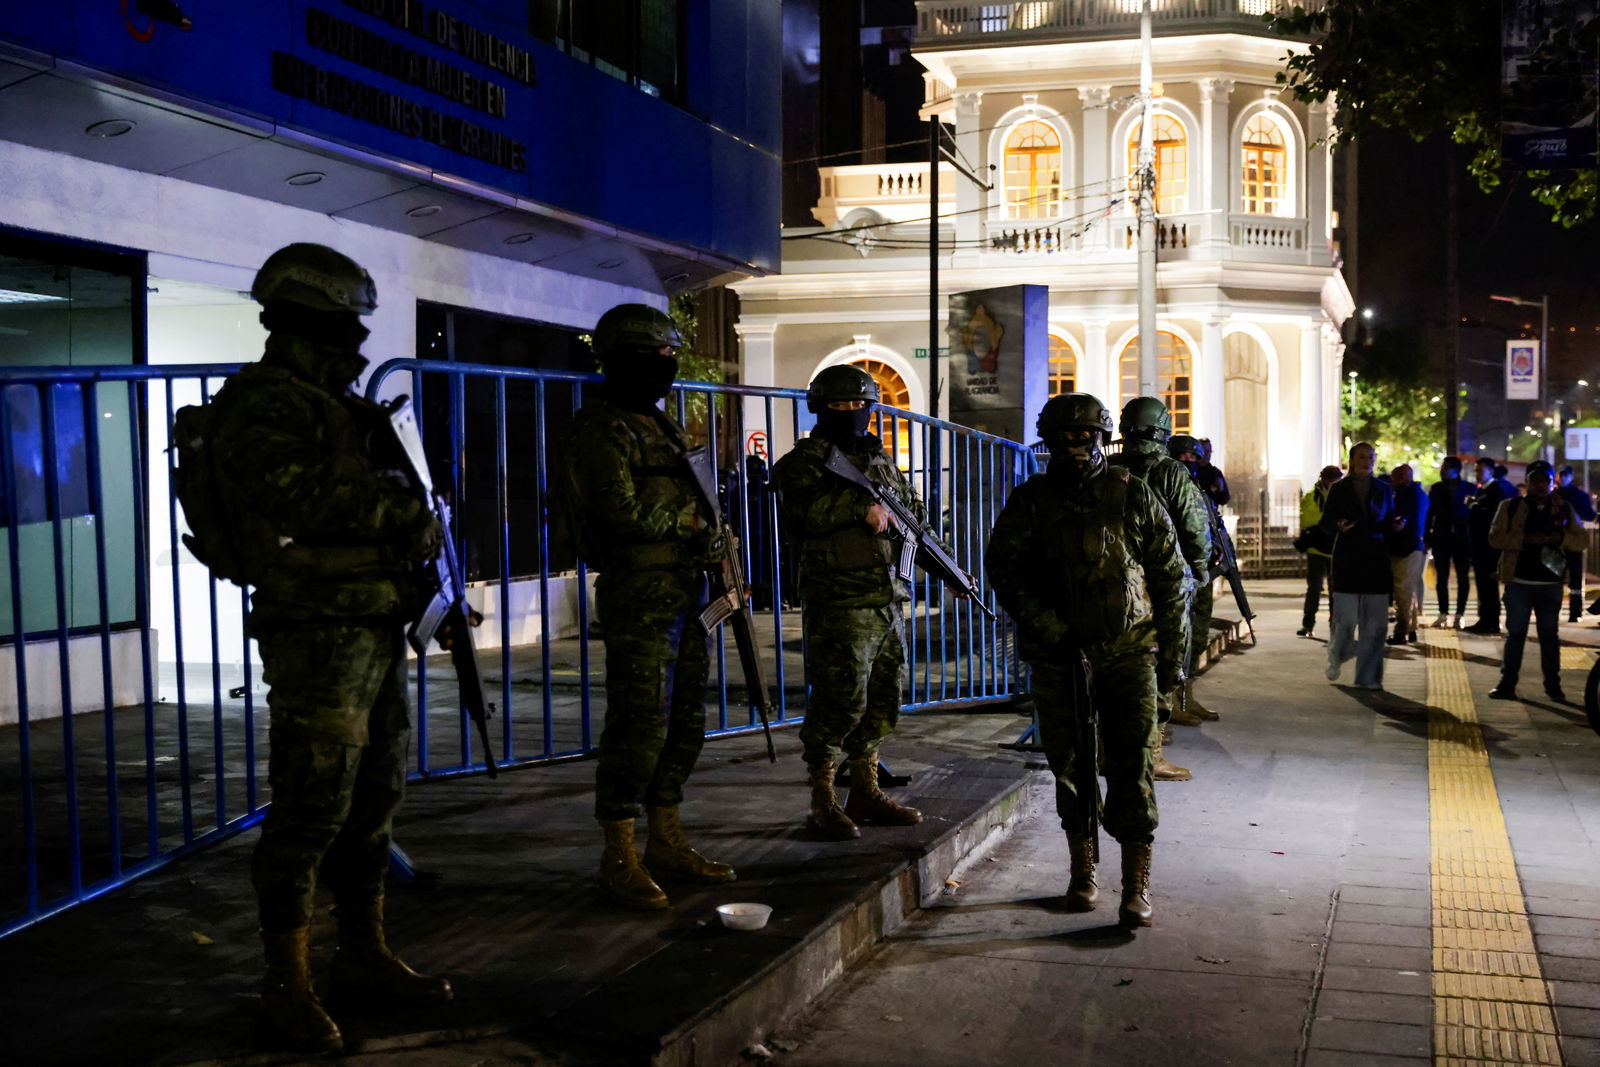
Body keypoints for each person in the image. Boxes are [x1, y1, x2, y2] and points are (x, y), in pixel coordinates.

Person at [206, 244, 452, 1052]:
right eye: (341, 320)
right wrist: (399, 506)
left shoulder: (342, 406)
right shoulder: (262, 401)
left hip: (374, 619)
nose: (353, 338)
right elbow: (300, 495)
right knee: (312, 806)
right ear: (297, 316)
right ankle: (288, 978)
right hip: (315, 631)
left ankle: (363, 952)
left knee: (375, 797)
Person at [986, 393, 1188, 927]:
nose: (1077, 446)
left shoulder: (1134, 495)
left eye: (1086, 436)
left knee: (1133, 766)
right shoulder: (1031, 502)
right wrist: (1052, 629)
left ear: (1103, 438)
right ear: (1049, 442)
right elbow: (1005, 571)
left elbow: (1170, 578)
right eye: (1065, 438)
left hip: (1129, 655)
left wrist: (1173, 661)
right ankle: (1083, 869)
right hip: (1061, 658)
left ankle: (1136, 883)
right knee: (1071, 766)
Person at [564, 303, 735, 911]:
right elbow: (618, 511)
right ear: (623, 362)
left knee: (684, 722)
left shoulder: (659, 426)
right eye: (658, 359)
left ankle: (666, 839)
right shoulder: (600, 429)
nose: (667, 369)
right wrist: (691, 520)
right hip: (639, 598)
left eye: (670, 358)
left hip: (686, 594)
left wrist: (715, 534)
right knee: (639, 725)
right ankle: (620, 853)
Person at [769, 364, 934, 840]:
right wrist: (859, 509)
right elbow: (801, 512)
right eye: (840, 406)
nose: (851, 413)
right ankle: (823, 798)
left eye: (859, 405)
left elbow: (912, 512)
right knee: (841, 702)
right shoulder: (804, 462)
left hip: (887, 599)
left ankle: (865, 788)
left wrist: (934, 553)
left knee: (885, 700)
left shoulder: (880, 460)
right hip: (840, 600)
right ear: (820, 409)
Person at [1108, 397, 1212, 777]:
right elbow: (1193, 528)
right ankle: (1151, 753)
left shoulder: (1110, 468)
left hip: (1115, 584)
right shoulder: (1171, 472)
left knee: (1116, 669)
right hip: (1162, 585)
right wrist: (1199, 568)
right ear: (1162, 431)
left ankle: (1109, 749)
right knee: (1163, 666)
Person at [1488, 461, 1587, 700]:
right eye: (1536, 480)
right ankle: (1507, 683)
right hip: (1519, 581)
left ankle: (1553, 685)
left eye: (1546, 481)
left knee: (1549, 636)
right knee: (1516, 634)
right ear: (1527, 483)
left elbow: (1581, 540)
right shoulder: (1510, 506)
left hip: (1550, 584)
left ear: (1552, 484)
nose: (1541, 485)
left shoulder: (1564, 508)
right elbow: (1495, 537)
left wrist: (1560, 538)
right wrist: (1525, 539)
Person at [1318, 442, 1397, 690]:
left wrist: (1396, 526)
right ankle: (1337, 653)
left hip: (1375, 561)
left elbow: (1389, 520)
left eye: (1371, 456)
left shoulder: (1383, 489)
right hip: (1348, 561)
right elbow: (1326, 523)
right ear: (1352, 461)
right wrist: (1338, 525)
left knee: (1375, 626)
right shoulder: (1339, 489)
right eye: (1362, 457)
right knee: (1345, 621)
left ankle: (1369, 678)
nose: (1367, 461)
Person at [1167, 434, 1222, 716]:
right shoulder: (1166, 484)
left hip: (1202, 572)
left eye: (1194, 457)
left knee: (1198, 637)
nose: (1189, 461)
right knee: (1179, 642)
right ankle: (1172, 704)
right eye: (1184, 456)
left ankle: (1187, 697)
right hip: (1179, 574)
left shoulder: (1198, 485)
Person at [1466, 458, 1517, 634]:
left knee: (1488, 585)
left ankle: (1491, 621)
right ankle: (1485, 619)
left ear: (1490, 471)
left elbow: (1492, 517)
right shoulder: (1482, 491)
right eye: (1476, 471)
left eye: (1480, 471)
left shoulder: (1495, 491)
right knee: (1482, 585)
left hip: (1488, 547)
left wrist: (1474, 506)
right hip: (1479, 546)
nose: (1477, 474)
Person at [1425, 457, 1474, 629]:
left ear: (1455, 470)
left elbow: (1473, 515)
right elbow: (1429, 514)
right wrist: (1427, 537)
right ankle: (1443, 613)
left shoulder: (1469, 488)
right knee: (1442, 578)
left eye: (1445, 467)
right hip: (1442, 537)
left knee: (1463, 578)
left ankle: (1460, 614)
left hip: (1462, 538)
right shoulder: (1437, 488)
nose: (1442, 470)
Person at [1386, 463, 1429, 644]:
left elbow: (1405, 520)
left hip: (1406, 547)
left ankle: (1401, 631)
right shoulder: (1415, 494)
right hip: (1410, 546)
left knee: (1402, 590)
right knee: (1406, 590)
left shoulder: (1410, 496)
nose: (1392, 481)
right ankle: (1410, 629)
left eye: (1396, 477)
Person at [1298, 465, 1343, 637]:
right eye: (1330, 480)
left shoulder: (1343, 496)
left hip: (1336, 548)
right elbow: (1307, 519)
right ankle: (1308, 624)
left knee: (1335, 589)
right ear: (1323, 479)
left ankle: (1335, 626)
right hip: (1316, 548)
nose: (1332, 484)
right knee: (1314, 588)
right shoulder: (1312, 496)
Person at [1553, 466, 1597, 621]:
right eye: (1560, 475)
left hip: (1571, 540)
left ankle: (1575, 611)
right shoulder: (1553, 494)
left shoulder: (1577, 495)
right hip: (1556, 542)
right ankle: (1556, 610)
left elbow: (1589, 514)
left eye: (1565, 475)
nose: (1562, 478)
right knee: (1556, 577)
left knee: (1575, 578)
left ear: (1570, 477)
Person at [1192, 437, 1230, 508]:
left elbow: (1224, 500)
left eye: (1209, 451)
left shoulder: (1216, 473)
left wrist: (1221, 489)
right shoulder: (1191, 470)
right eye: (1205, 451)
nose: (1207, 454)